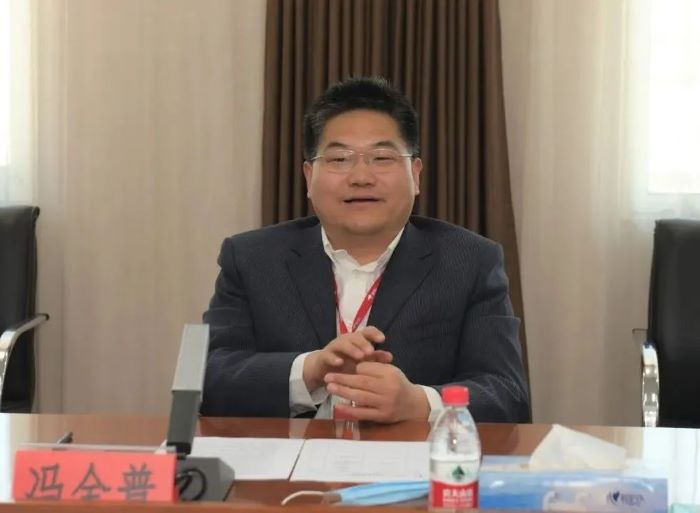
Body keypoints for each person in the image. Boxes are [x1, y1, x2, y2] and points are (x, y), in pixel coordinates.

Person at [201, 76, 529, 423]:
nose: (361, 177)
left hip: (409, 456)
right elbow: (208, 378)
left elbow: (507, 393)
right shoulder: (252, 258)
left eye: (382, 157)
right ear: (309, 177)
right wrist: (308, 371)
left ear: (416, 174)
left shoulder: (469, 261)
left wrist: (420, 403)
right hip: (287, 457)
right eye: (339, 159)